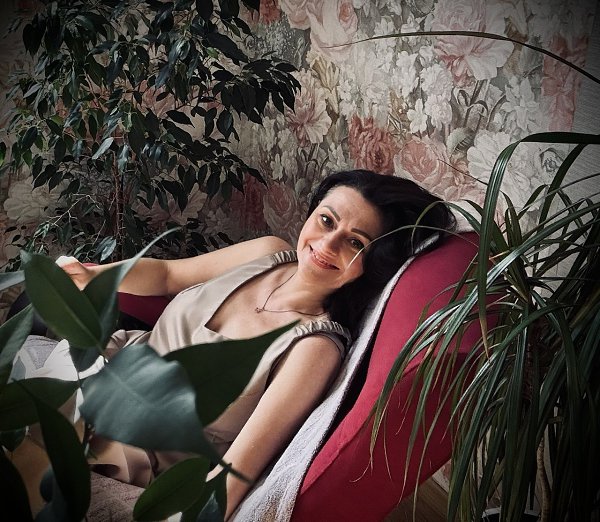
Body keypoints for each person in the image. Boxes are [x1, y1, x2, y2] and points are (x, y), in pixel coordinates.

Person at [24, 169, 456, 519]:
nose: (327, 244)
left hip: (139, 441)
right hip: (109, 365)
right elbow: (169, 275)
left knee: (21, 437)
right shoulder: (268, 251)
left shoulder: (313, 349)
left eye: (355, 242)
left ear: (373, 263)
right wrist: (95, 275)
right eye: (326, 220)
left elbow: (239, 469)